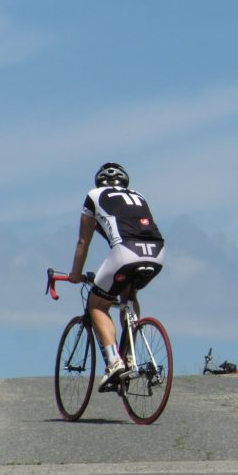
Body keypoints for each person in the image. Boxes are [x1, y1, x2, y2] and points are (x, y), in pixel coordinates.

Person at [68, 162, 165, 391]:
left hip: (126, 251)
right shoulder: (138, 195)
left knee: (97, 304)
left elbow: (83, 242)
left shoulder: (94, 195)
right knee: (128, 297)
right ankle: (130, 356)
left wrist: (75, 274)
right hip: (157, 252)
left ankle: (114, 362)